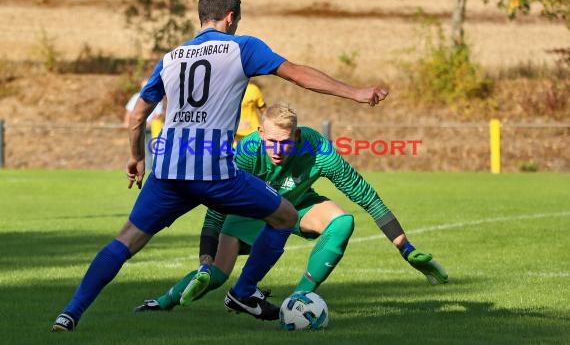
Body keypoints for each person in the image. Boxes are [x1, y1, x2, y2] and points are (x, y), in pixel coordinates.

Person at [51, 0, 388, 332]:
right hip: (213, 170)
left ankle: (70, 312)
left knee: (126, 241)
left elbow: (138, 116)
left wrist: (137, 158)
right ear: (231, 17)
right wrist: (357, 93)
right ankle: (244, 292)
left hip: (167, 168)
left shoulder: (170, 58)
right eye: (237, 20)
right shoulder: (242, 47)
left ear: (201, 17)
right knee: (285, 215)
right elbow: (298, 73)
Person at [134, 103, 448, 313]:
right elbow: (216, 208)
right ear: (260, 135)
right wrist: (204, 260)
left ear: (296, 137)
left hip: (296, 207)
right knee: (216, 275)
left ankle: (298, 298)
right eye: (271, 142)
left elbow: (365, 194)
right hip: (249, 209)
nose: (278, 150)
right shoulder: (245, 154)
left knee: (342, 222)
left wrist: (405, 247)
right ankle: (161, 303)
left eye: (285, 142)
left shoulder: (319, 151)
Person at [123, 88, 165, 169]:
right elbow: (130, 111)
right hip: (140, 125)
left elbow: (158, 114)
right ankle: (145, 166)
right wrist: (127, 121)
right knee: (142, 149)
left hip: (151, 127)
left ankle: (148, 167)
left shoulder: (156, 95)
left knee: (149, 149)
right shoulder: (137, 96)